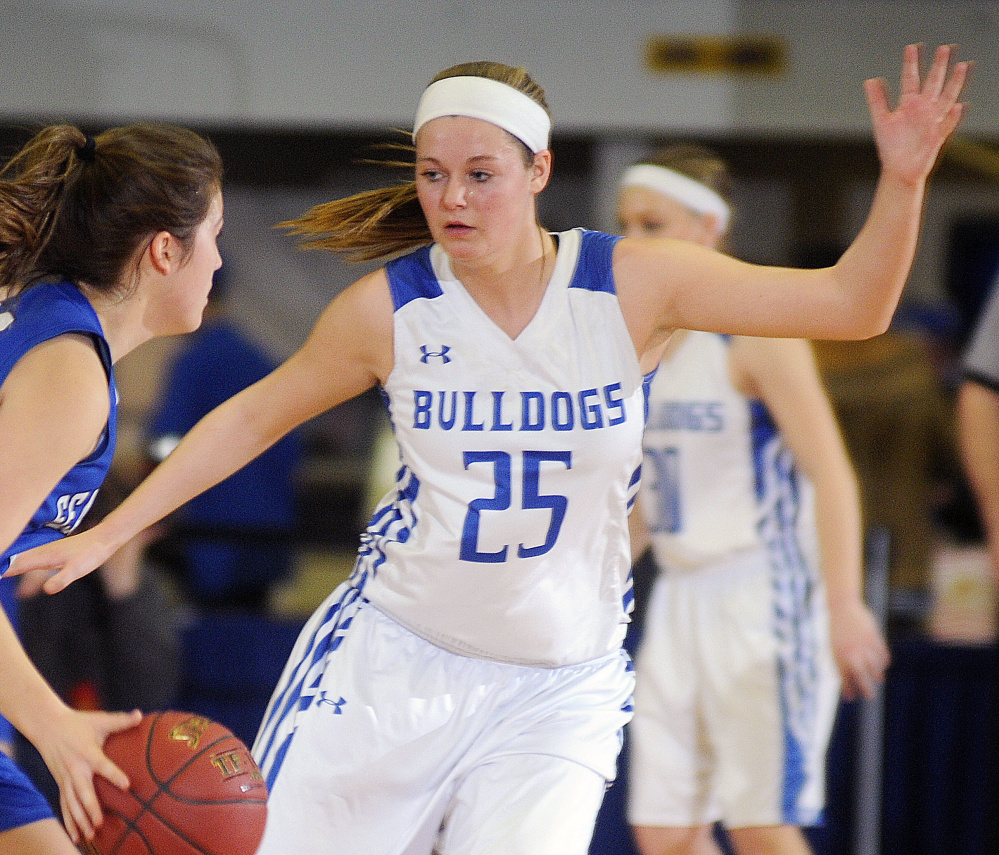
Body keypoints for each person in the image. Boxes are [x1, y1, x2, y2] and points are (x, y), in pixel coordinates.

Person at [8, 45, 967, 855]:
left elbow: (853, 304)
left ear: (539, 172)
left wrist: (905, 179)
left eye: (480, 174)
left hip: (557, 687)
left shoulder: (637, 285)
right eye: (431, 174)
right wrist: (110, 531)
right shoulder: (390, 308)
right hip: (388, 665)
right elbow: (252, 419)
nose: (451, 198)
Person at [614, 143, 890, 855]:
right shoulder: (636, 339)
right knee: (663, 831)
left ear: (707, 227)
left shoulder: (758, 333)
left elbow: (831, 473)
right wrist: (589, 577)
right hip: (678, 593)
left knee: (760, 824)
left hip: (764, 594)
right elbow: (652, 489)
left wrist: (843, 601)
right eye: (624, 225)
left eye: (651, 224)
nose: (631, 241)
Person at [0, 121, 223, 853]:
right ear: (165, 249)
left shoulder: (37, 309)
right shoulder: (68, 371)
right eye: (213, 235)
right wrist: (51, 722)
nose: (218, 261)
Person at [14, 466, 182, 812]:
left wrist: (124, 587)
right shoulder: (27, 578)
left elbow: (146, 704)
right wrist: (24, 592)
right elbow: (29, 690)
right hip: (31, 743)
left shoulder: (144, 588)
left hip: (110, 754)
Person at [146, 263, 303, 612]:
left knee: (209, 638)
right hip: (267, 531)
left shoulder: (196, 362)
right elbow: (292, 447)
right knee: (251, 630)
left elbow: (165, 442)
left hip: (211, 533)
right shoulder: (258, 359)